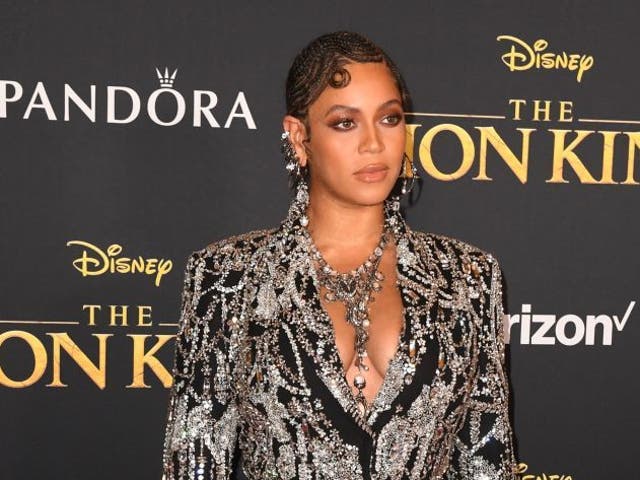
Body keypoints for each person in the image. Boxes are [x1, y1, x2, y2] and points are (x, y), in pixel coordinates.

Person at [161, 31, 517, 480]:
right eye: (345, 123)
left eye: (389, 119)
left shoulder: (468, 278)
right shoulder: (228, 277)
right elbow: (193, 464)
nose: (373, 143)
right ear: (299, 136)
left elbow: (488, 461)